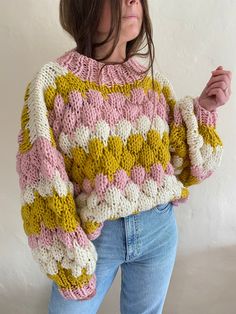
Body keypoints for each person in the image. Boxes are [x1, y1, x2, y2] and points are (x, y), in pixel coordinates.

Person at [15, 0, 232, 313]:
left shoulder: (154, 81)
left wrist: (206, 109)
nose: (132, 1)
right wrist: (69, 256)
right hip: (97, 238)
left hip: (159, 230)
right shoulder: (53, 84)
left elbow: (183, 168)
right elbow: (42, 175)